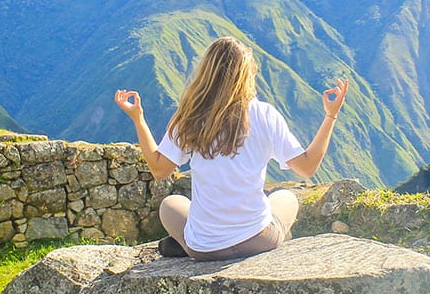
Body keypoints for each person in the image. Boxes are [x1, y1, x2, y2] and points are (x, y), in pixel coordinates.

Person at [113, 37, 349, 261]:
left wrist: (138, 119)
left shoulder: (189, 116)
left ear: (206, 72)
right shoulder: (264, 114)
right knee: (286, 198)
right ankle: (271, 237)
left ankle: (187, 242)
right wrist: (331, 115)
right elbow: (307, 167)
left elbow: (159, 169)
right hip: (258, 239)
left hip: (205, 250)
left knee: (170, 205)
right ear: (246, 75)